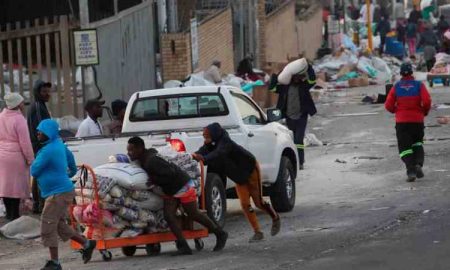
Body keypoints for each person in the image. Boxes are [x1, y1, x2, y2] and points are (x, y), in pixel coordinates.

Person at [126, 137, 228, 255]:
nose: (129, 153)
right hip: (171, 189)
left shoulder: (151, 161)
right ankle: (183, 245)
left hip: (182, 186)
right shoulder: (147, 157)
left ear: (140, 148)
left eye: (131, 150)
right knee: (169, 216)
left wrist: (154, 180)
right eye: (128, 150)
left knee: (193, 213)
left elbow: (170, 173)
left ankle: (220, 234)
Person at [193, 123, 281, 242]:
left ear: (214, 134)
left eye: (207, 136)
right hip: (238, 177)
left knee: (258, 202)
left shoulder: (225, 142)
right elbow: (203, 151)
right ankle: (258, 232)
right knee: (245, 204)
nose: (205, 139)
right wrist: (195, 155)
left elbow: (218, 153)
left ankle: (275, 218)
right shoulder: (211, 143)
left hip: (250, 170)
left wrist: (204, 159)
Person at [31, 119, 96, 270]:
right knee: (58, 224)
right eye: (38, 131)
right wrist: (68, 174)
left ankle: (55, 263)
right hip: (63, 190)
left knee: (47, 224)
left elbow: (34, 170)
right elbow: (72, 165)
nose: (38, 133)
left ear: (50, 133)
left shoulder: (47, 151)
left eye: (42, 131)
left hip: (57, 193)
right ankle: (87, 243)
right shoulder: (59, 145)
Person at [385, 63, 431, 182]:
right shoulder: (419, 85)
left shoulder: (396, 87)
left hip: (402, 122)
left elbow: (388, 105)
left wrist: (397, 110)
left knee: (405, 148)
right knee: (417, 144)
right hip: (417, 121)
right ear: (412, 73)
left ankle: (411, 170)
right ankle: (418, 165)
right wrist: (424, 112)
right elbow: (427, 101)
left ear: (401, 73)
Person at [270, 58, 317, 169]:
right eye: (295, 76)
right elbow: (272, 88)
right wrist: (278, 75)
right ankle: (294, 162)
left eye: (299, 76)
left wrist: (309, 67)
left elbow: (312, 80)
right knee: (291, 140)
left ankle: (300, 162)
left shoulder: (304, 86)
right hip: (289, 116)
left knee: (298, 140)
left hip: (301, 116)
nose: (297, 78)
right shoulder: (284, 87)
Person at [0, 93, 34, 220]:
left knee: (5, 187)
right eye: (21, 102)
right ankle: (15, 216)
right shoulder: (19, 120)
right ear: (17, 104)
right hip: (15, 157)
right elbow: (25, 143)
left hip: (2, 156)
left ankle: (9, 214)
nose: (23, 105)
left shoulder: (1, 117)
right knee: (15, 187)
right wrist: (31, 159)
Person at [27, 80, 52, 214]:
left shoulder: (40, 105)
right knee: (41, 176)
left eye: (48, 91)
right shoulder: (37, 107)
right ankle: (40, 205)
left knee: (39, 175)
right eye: (44, 92)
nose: (47, 94)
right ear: (37, 93)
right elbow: (40, 131)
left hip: (41, 146)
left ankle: (39, 205)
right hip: (40, 146)